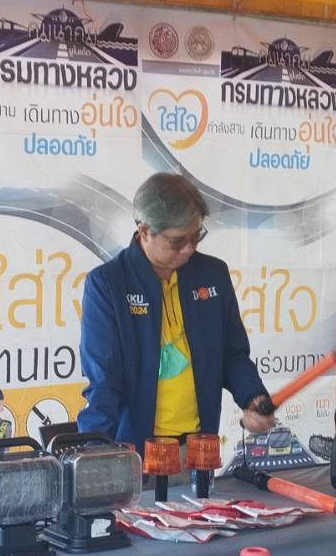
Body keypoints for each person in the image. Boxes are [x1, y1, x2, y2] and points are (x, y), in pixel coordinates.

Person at [79, 173, 277, 449]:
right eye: (176, 241)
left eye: (196, 237)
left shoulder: (213, 274)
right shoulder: (108, 284)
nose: (188, 249)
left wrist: (252, 397)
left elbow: (233, 355)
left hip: (199, 447)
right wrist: (94, 450)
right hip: (137, 451)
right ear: (144, 231)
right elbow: (104, 378)